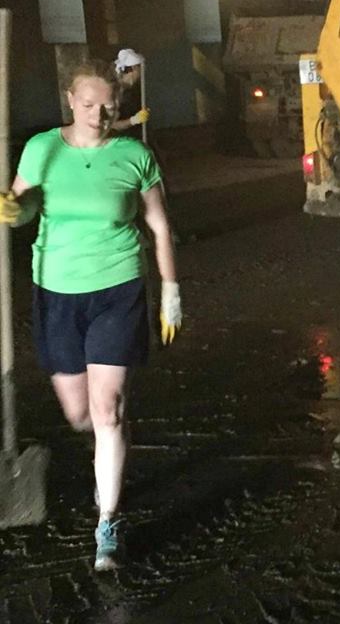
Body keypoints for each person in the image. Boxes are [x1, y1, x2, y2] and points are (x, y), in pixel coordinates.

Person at [0, 59, 182, 572]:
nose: (99, 114)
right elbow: (26, 203)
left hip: (117, 288)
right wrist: (15, 210)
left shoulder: (134, 155)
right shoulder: (43, 149)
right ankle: (113, 436)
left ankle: (108, 523)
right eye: (88, 105)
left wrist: (170, 291)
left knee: (108, 410)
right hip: (56, 290)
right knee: (81, 415)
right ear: (69, 101)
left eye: (109, 106)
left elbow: (159, 226)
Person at [111, 48, 150, 137]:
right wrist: (134, 120)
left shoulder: (132, 89)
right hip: (119, 140)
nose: (142, 71)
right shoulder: (117, 91)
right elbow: (111, 125)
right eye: (140, 67)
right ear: (133, 68)